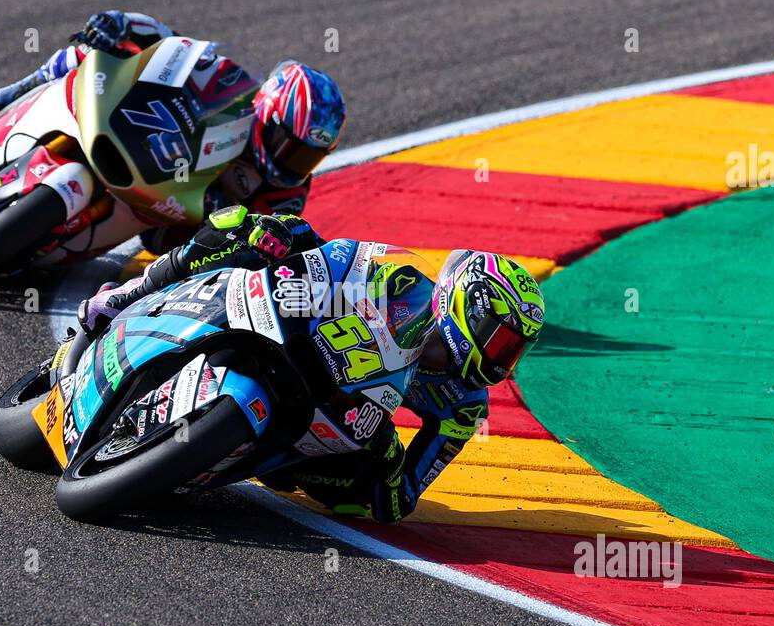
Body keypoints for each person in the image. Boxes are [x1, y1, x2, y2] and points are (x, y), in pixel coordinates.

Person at [76, 208, 546, 523]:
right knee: (242, 226)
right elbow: (340, 256)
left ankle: (229, 451)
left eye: (512, 350)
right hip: (298, 333)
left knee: (358, 488)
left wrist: (386, 450)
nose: (503, 358)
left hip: (334, 423)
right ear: (473, 309)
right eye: (502, 342)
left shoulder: (463, 405)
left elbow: (397, 503)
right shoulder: (401, 279)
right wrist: (288, 240)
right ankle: (128, 296)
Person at [0, 10, 347, 259]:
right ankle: (14, 92)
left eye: (306, 157)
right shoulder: (232, 82)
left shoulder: (289, 194)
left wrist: (229, 220)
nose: (291, 162)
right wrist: (121, 24)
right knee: (89, 53)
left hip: (171, 218)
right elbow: (172, 46)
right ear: (267, 112)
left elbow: (262, 240)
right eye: (287, 145)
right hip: (145, 140)